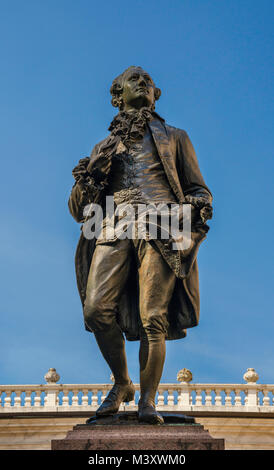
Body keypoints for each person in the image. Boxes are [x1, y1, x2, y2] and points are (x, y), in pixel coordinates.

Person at [68, 66, 213, 424]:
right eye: (135, 79)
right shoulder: (102, 147)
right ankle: (122, 384)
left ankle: (147, 400)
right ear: (118, 95)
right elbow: (77, 210)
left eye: (148, 80)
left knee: (154, 319)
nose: (144, 83)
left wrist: (195, 208)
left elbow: (199, 189)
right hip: (112, 226)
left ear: (155, 94)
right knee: (95, 310)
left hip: (162, 225)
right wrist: (94, 173)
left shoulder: (175, 136)